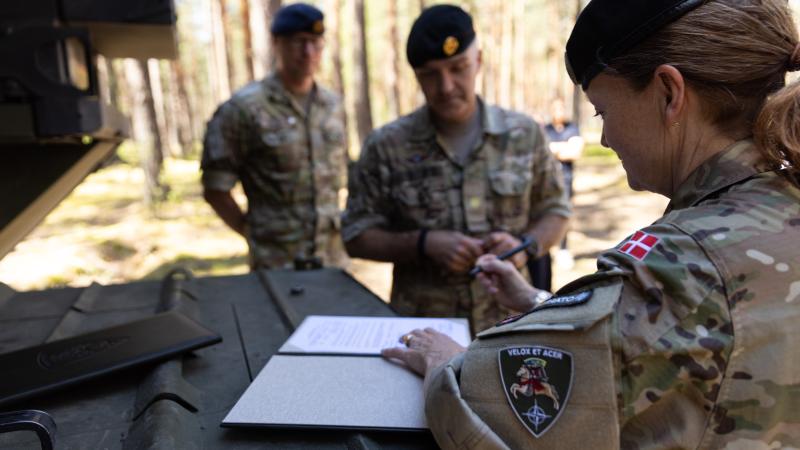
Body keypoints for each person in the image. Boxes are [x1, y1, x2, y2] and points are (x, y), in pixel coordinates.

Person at [383, 0, 800, 448]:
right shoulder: (781, 203)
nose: (605, 137)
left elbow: (485, 410)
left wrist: (448, 365)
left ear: (668, 93)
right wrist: (540, 302)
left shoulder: (678, 268)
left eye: (602, 111)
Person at [342, 5, 570, 333]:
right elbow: (356, 235)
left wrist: (522, 247)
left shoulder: (522, 134)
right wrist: (422, 244)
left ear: (477, 60)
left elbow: (556, 210)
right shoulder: (387, 145)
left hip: (510, 326)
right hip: (424, 329)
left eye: (457, 67)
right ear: (417, 77)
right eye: (431, 75)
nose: (446, 85)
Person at [201, 3, 347, 270]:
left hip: (332, 259)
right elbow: (216, 188)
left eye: (316, 43)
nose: (308, 53)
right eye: (299, 42)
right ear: (277, 44)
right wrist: (252, 232)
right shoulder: (245, 109)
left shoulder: (332, 105)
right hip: (277, 262)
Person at [545, 97, 584, 270]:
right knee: (545, 215)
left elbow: (574, 153)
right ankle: (546, 250)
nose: (558, 112)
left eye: (561, 109)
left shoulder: (572, 128)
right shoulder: (544, 129)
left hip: (566, 180)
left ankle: (563, 250)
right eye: (555, 109)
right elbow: (543, 153)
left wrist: (554, 149)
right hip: (547, 181)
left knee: (565, 215)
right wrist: (563, 148)